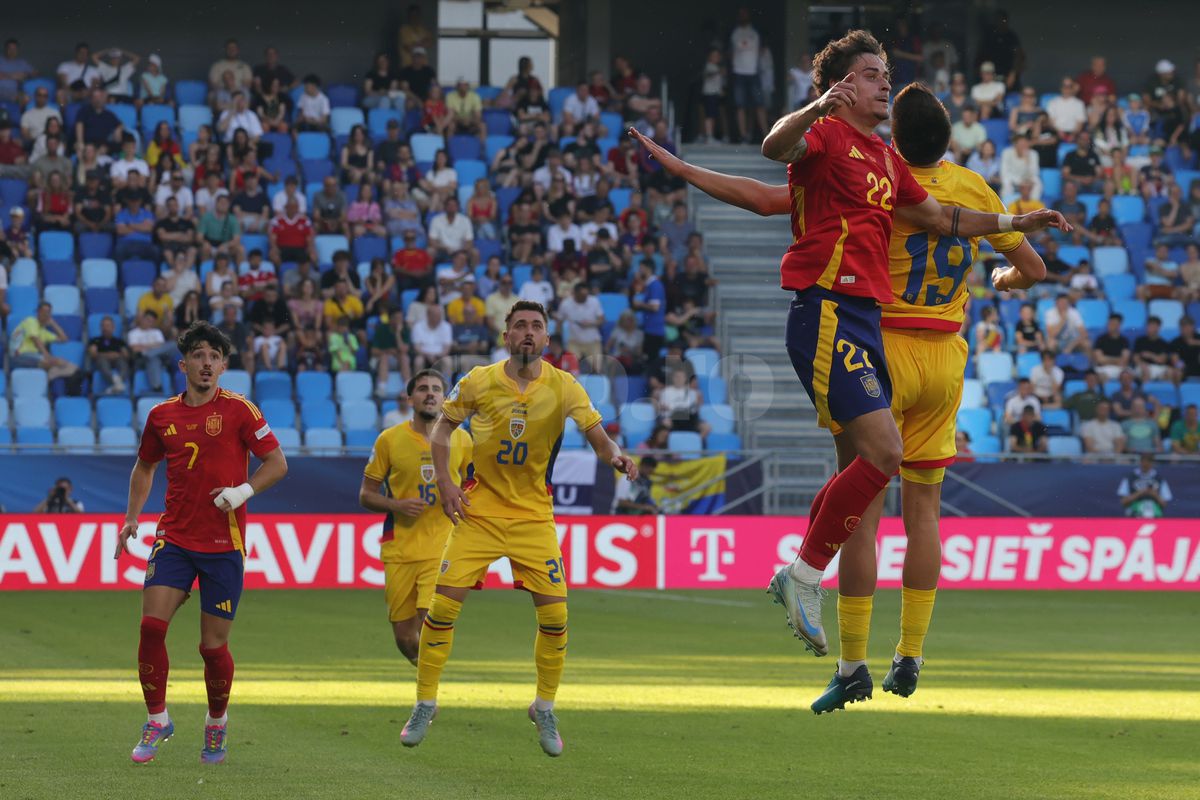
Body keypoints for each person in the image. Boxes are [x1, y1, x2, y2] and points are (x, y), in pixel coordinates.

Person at [635, 41, 1064, 708]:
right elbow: (776, 155)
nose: (882, 85)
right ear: (840, 88)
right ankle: (853, 612)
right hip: (875, 327)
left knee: (859, 489)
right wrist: (809, 112)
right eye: (870, 76)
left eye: (886, 78)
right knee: (901, 488)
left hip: (876, 325)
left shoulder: (888, 163)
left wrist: (1015, 219)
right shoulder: (832, 137)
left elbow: (934, 217)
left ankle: (844, 648)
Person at [400, 300, 637, 757]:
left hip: (533, 516)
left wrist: (616, 456)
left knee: (555, 617)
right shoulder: (478, 381)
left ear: (548, 339)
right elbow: (442, 431)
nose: (528, 332)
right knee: (443, 609)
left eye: (537, 327)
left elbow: (597, 434)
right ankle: (425, 702)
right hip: (479, 513)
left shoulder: (565, 386)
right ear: (506, 336)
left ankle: (543, 707)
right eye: (520, 326)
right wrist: (447, 483)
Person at [114, 321, 287, 765]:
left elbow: (276, 463)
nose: (206, 363)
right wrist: (132, 517)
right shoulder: (161, 416)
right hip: (174, 537)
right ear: (184, 364)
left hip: (223, 544)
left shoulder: (240, 411)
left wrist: (241, 492)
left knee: (212, 648)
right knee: (151, 627)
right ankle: (157, 719)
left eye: (214, 356)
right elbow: (144, 467)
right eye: (199, 355)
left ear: (224, 366)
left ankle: (216, 724)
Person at [358, 370, 472, 665]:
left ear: (446, 399)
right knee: (405, 637)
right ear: (410, 399)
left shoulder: (462, 440)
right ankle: (427, 679)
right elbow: (366, 495)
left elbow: (476, 486)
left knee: (429, 621)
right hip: (400, 548)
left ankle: (427, 696)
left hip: (443, 546)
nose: (430, 393)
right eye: (422, 389)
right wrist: (396, 505)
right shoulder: (389, 440)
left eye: (436, 389)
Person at [10, 301, 78, 382]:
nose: (46, 314)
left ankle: (57, 373)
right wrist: (48, 356)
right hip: (18, 357)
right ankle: (59, 372)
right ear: (38, 312)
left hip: (32, 357)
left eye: (48, 312)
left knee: (63, 363)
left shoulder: (43, 331)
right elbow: (35, 340)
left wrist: (53, 323)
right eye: (44, 311)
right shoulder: (31, 321)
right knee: (57, 362)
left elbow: (64, 339)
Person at [730, 8, 768, 143]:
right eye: (741, 14)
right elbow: (736, 48)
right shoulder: (735, 33)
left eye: (745, 13)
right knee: (740, 105)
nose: (743, 16)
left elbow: (759, 51)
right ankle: (744, 136)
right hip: (739, 72)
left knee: (759, 104)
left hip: (754, 72)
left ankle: (766, 135)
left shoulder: (755, 33)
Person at [87, 314, 131, 394]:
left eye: (107, 326)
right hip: (102, 360)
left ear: (113, 328)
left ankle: (114, 386)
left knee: (123, 363)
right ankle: (117, 383)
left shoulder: (119, 341)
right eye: (103, 326)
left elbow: (126, 355)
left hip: (117, 359)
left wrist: (117, 355)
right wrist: (107, 355)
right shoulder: (95, 340)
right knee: (101, 361)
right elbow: (93, 354)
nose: (105, 328)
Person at [1118, 453, 1172, 518]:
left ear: (1152, 463)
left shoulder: (1159, 479)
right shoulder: (1130, 477)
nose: (1145, 464)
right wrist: (1140, 493)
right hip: (1134, 512)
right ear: (1140, 462)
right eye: (1143, 462)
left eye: (1148, 462)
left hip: (1154, 512)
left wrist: (1154, 495)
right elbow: (1123, 502)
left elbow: (1164, 504)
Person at [1092, 313, 1130, 381]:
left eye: (1114, 324)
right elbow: (1100, 359)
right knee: (1100, 376)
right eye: (1110, 324)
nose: (1111, 326)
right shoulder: (1100, 339)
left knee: (1128, 375)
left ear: (1119, 325)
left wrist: (1107, 359)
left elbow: (1124, 360)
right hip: (1104, 368)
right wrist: (1117, 360)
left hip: (1119, 368)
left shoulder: (1124, 341)